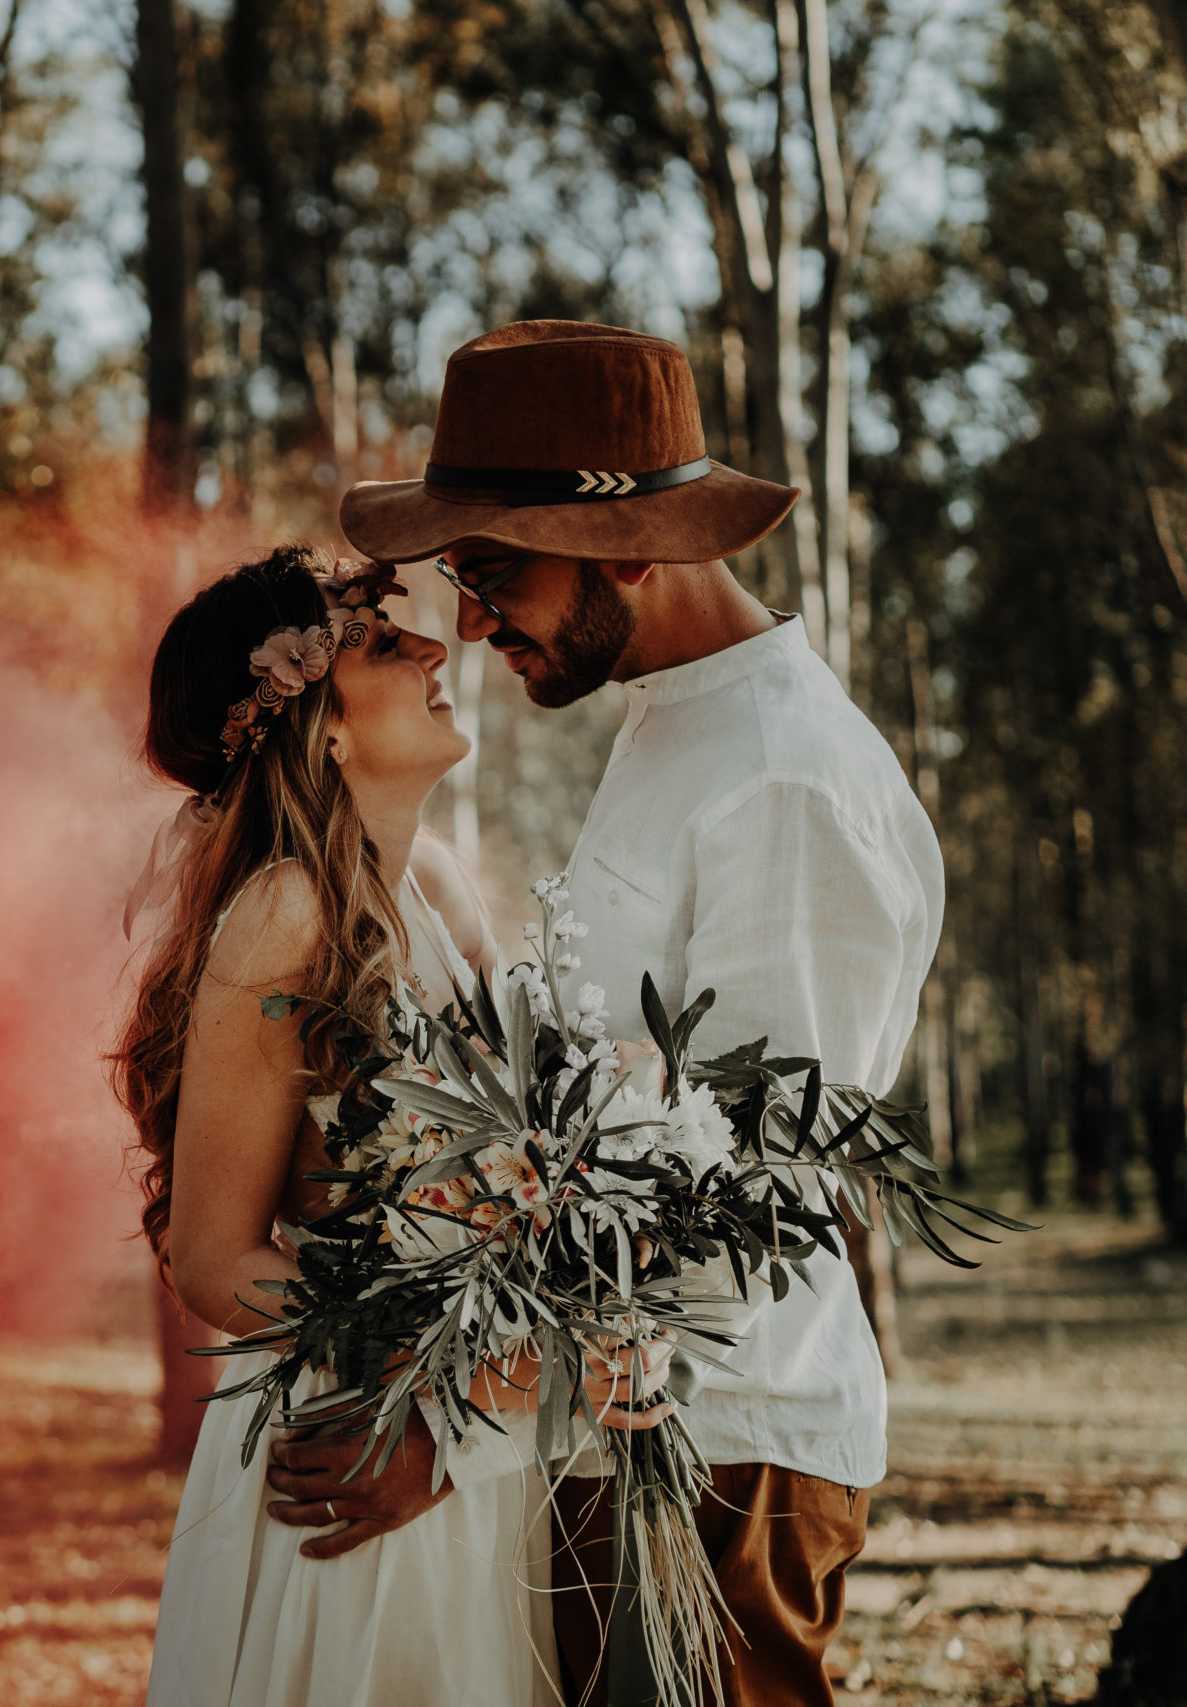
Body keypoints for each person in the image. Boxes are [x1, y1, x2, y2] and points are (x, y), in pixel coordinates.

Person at [256, 318, 947, 1707]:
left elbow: (757, 1200)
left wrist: (450, 1427)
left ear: (631, 544)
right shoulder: (669, 723)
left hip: (717, 1459)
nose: (468, 616)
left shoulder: (787, 781)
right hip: (605, 1440)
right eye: (457, 572)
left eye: (495, 567)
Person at [120, 542, 675, 1707]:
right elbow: (212, 1256)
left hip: (454, 1447)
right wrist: (443, 1372)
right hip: (356, 1451)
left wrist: (567, 1310)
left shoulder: (432, 884)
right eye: (381, 641)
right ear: (317, 727)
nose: (433, 645)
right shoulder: (283, 915)